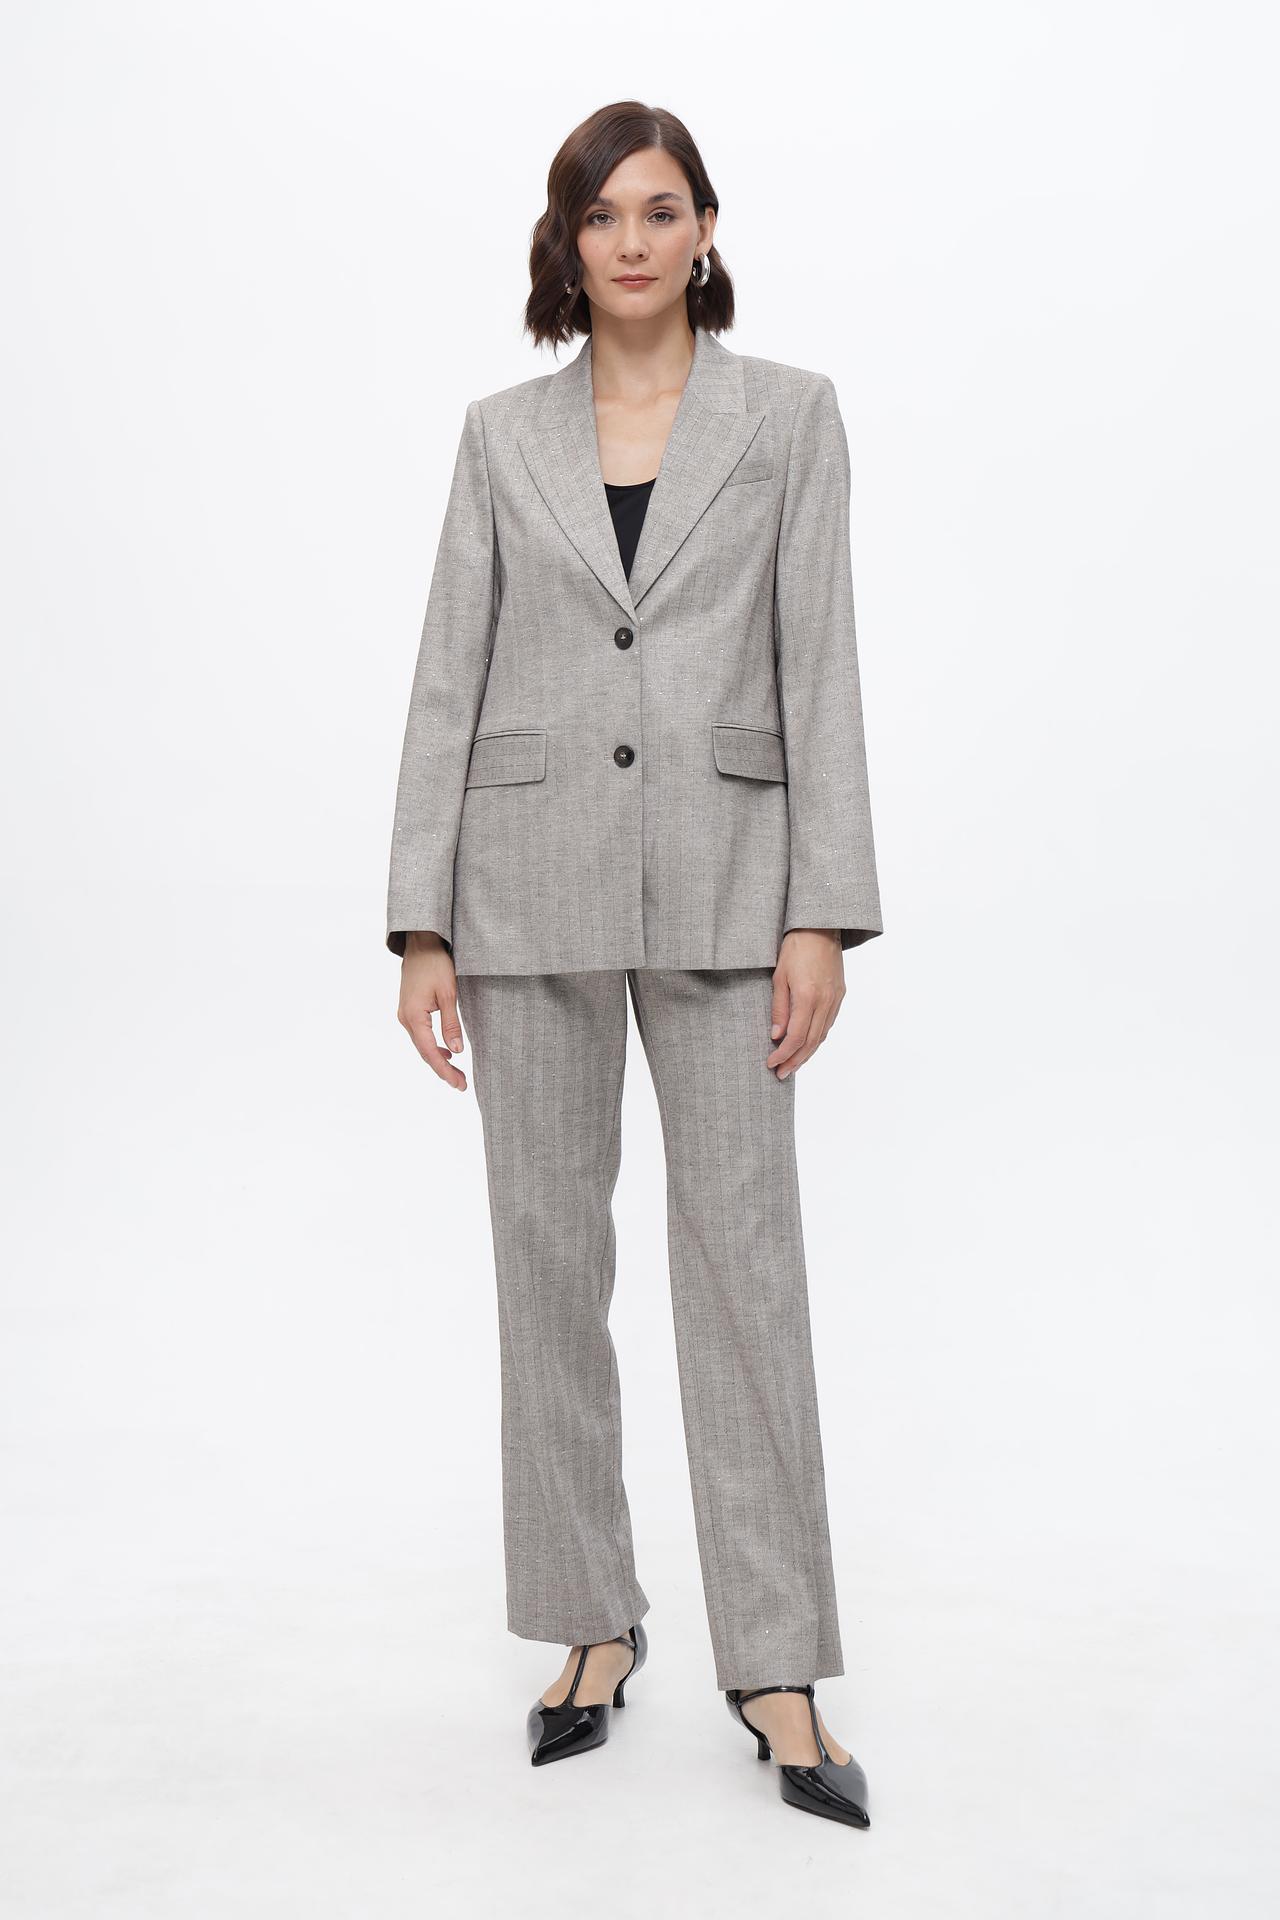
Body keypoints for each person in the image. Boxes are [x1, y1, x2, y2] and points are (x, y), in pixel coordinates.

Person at [385, 100, 882, 1830]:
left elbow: (819, 665)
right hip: (522, 884)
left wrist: (822, 910)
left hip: (733, 884)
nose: (633, 242)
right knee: (545, 1265)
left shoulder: (790, 419)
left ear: (706, 228)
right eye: (602, 216)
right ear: (568, 241)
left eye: (661, 211)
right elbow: (447, 674)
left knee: (746, 1270)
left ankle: (777, 1660)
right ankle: (593, 1621)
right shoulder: (498, 435)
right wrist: (422, 918)